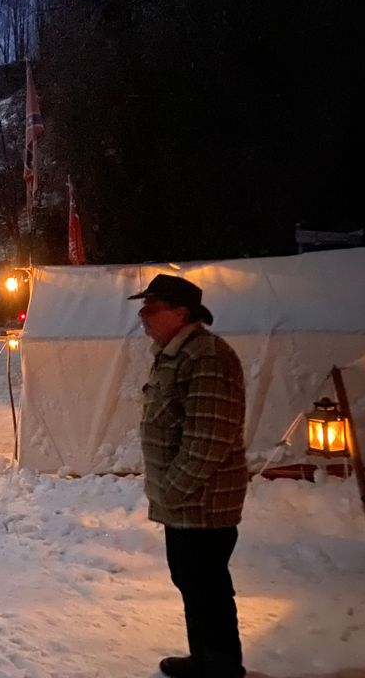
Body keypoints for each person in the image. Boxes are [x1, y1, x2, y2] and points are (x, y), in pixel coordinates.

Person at [128, 274, 248, 678]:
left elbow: (207, 440)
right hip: (185, 502)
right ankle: (205, 660)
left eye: (152, 307)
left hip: (202, 502)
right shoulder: (176, 354)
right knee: (193, 583)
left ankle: (222, 667)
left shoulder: (206, 357)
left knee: (207, 587)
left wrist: (171, 491)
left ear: (181, 313)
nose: (143, 315)